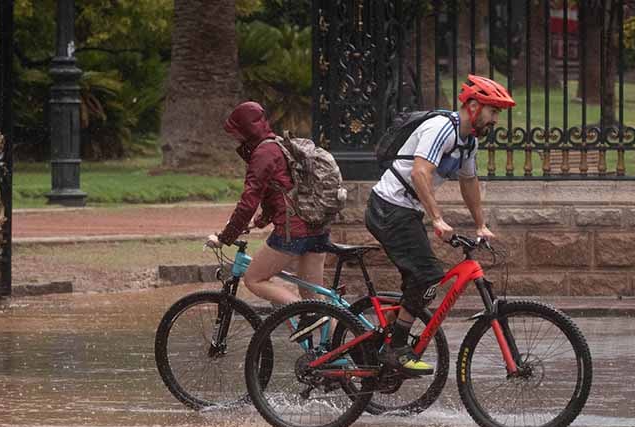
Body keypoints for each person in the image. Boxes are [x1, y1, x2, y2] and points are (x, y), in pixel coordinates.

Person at [365, 74, 515, 377]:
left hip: (406, 212)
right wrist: (437, 218)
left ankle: (383, 338)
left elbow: (469, 181)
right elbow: (421, 173)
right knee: (427, 274)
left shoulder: (468, 140)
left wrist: (481, 225)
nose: (496, 120)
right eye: (493, 111)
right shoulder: (441, 128)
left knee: (423, 282)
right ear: (473, 106)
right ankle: (396, 349)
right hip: (388, 208)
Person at [208, 101, 331, 310]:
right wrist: (260, 221)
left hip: (293, 232)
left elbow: (249, 201)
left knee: (254, 279)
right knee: (317, 301)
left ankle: (303, 313)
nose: (234, 137)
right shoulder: (279, 145)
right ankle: (345, 339)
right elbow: (280, 192)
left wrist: (225, 237)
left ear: (246, 130)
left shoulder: (263, 154)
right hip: (316, 226)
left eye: (236, 131)